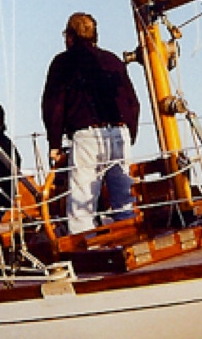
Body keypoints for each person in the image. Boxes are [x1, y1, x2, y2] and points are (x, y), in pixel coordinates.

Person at [41, 12, 140, 234]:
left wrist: (54, 144)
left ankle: (88, 254)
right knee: (124, 201)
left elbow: (54, 106)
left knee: (81, 206)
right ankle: (131, 242)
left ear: (70, 36)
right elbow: (132, 102)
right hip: (119, 134)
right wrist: (129, 133)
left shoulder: (62, 63)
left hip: (87, 137)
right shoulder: (113, 60)